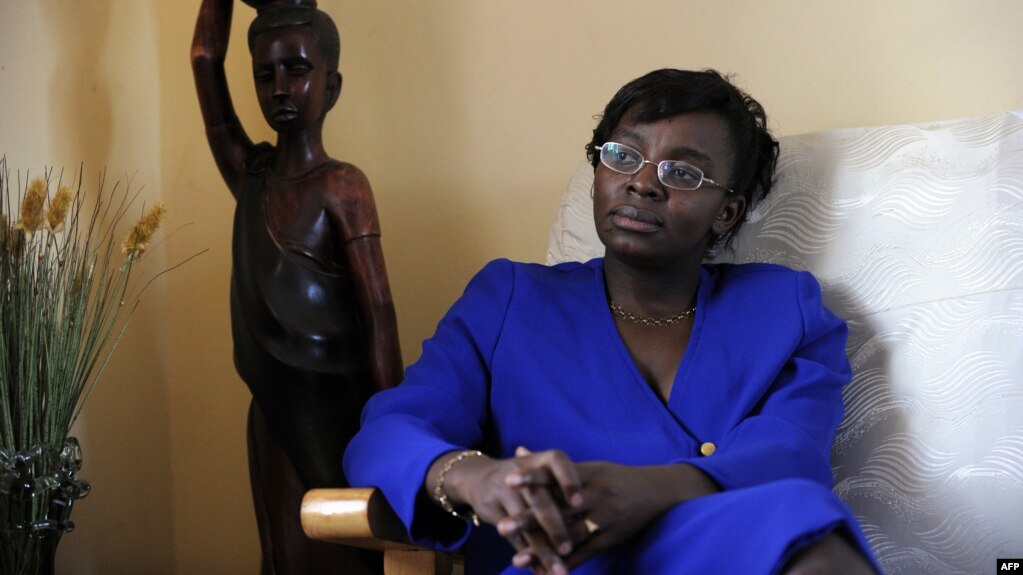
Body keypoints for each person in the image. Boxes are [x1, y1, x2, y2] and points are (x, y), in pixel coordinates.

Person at [343, 68, 880, 575]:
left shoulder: (785, 310)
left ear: (727, 212)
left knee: (809, 532)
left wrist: (653, 489)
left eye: (683, 172)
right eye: (623, 155)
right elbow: (388, 433)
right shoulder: (509, 299)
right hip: (556, 564)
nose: (643, 183)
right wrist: (473, 476)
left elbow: (790, 457)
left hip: (716, 553)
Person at [191, 0, 402, 573]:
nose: (280, 88)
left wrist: (392, 428)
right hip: (274, 411)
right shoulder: (250, 175)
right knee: (284, 554)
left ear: (331, 86)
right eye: (265, 75)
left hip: (341, 411)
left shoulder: (342, 186)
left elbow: (378, 314)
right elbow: (204, 57)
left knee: (350, 546)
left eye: (298, 70)